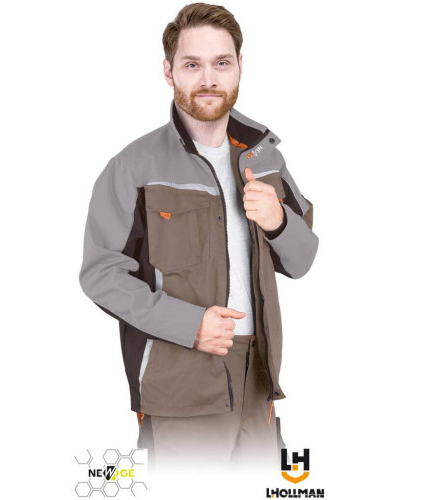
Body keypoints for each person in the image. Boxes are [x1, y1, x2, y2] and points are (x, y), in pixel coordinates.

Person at [79, 2, 318, 474]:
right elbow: (101, 274)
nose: (208, 79)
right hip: (180, 385)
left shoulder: (264, 157)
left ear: (239, 66)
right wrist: (189, 325)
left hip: (259, 381)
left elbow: (303, 259)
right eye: (192, 65)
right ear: (169, 72)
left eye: (221, 63)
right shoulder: (133, 167)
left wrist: (279, 221)